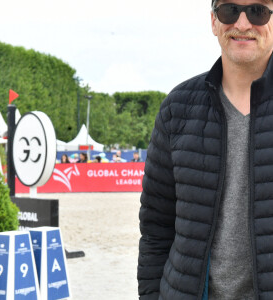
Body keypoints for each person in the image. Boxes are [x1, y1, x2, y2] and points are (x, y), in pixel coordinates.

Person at [138, 1, 273, 299]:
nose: (241, 23)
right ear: (213, 21)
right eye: (229, 10)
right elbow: (156, 228)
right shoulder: (177, 108)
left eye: (258, 11)